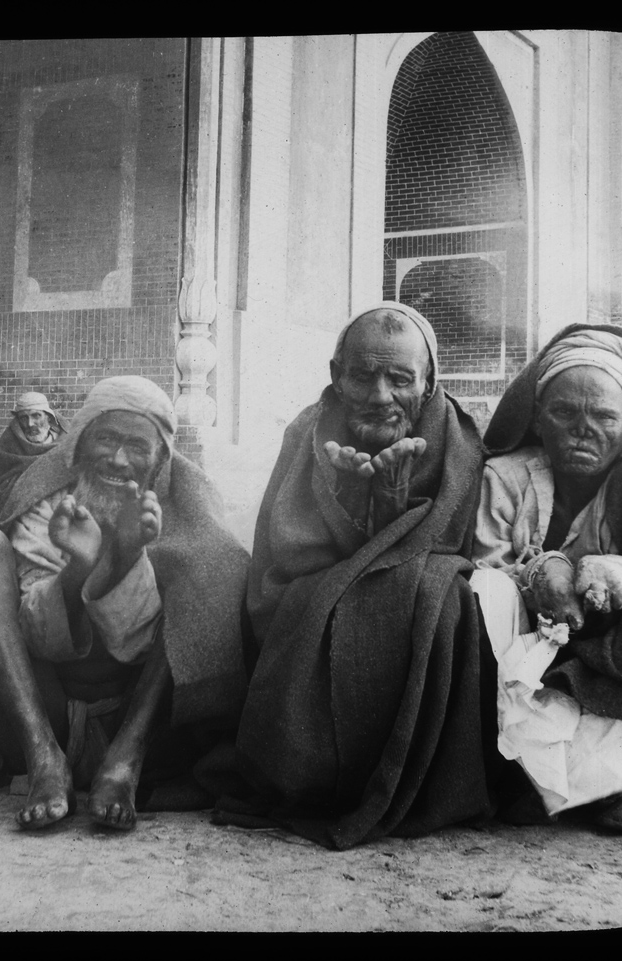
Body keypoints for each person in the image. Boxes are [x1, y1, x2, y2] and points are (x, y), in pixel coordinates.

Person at [214, 302, 497, 850]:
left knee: (449, 600)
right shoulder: (308, 431)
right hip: (316, 584)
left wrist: (391, 510)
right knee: (311, 603)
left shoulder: (456, 438)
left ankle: (415, 784)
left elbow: (452, 539)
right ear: (336, 376)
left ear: (430, 380)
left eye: (400, 379)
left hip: (414, 578)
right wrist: (347, 504)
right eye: (363, 375)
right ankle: (314, 781)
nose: (380, 395)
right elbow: (287, 551)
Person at [0, 376, 249, 831]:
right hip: (39, 713)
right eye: (106, 439)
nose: (118, 459)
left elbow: (145, 647)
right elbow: (38, 638)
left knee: (215, 560)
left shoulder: (186, 511)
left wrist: (127, 555)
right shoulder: (46, 500)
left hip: (139, 729)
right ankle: (44, 761)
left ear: (160, 461)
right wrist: (78, 570)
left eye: (136, 446)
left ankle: (123, 762)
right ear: (79, 443)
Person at [471, 324, 622, 834]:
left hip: (621, 659)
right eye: (564, 413)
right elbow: (483, 567)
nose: (583, 429)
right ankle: (537, 780)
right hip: (527, 655)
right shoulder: (505, 480)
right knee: (481, 596)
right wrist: (545, 571)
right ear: (538, 420)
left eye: (604, 416)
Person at [0, 391, 69, 516]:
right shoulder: (9, 445)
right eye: (24, 418)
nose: (30, 424)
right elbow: (4, 484)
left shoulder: (67, 443)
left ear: (48, 417)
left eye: (36, 416)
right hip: (22, 506)